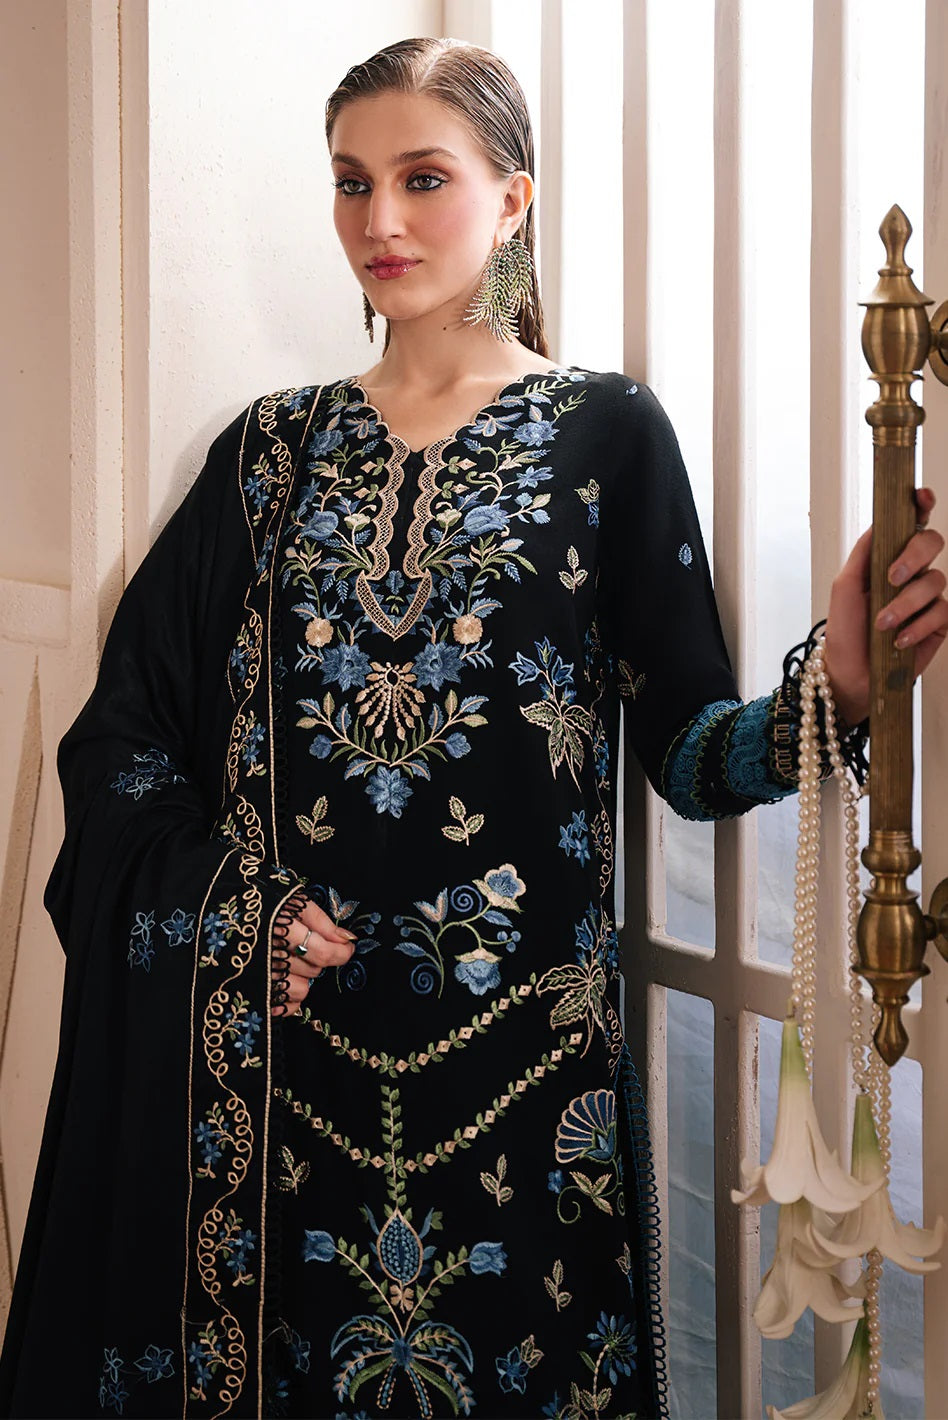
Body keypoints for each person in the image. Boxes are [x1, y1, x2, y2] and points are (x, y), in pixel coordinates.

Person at [1, 34, 945, 1420]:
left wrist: (837, 690)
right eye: (351, 182)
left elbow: (687, 755)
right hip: (287, 1083)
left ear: (513, 200)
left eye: (422, 178)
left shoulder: (607, 433)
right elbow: (122, 745)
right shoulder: (268, 454)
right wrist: (237, 914)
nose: (379, 220)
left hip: (523, 1092)